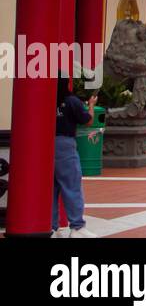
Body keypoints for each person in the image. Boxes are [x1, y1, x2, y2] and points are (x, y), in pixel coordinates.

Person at [53, 77, 97, 238]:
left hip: (44, 145)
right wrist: (91, 105)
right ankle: (77, 227)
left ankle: (51, 227)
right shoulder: (72, 101)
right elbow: (88, 121)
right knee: (71, 185)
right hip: (65, 145)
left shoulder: (48, 99)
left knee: (51, 188)